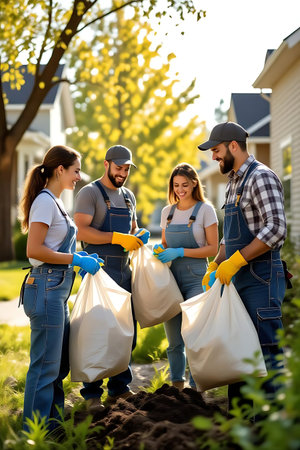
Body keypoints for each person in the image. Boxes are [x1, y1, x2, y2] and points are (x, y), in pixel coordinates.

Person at [198, 121, 287, 412]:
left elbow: (275, 229)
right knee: (239, 350)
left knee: (264, 352)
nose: (213, 157)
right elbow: (230, 234)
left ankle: (271, 427)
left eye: (216, 150)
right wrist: (217, 263)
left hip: (262, 279)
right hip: (238, 279)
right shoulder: (234, 181)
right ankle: (240, 422)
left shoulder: (261, 177)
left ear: (233, 146)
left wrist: (237, 260)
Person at [18, 145, 102, 432]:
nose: (79, 176)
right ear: (60, 170)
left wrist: (80, 259)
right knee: (44, 366)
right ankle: (35, 431)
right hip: (45, 288)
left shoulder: (55, 202)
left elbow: (53, 245)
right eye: (76, 170)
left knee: (56, 366)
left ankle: (52, 425)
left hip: (57, 288)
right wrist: (74, 258)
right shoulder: (44, 201)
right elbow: (35, 250)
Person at [74, 144, 149, 410]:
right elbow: (81, 232)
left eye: (127, 168)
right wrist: (116, 238)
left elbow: (133, 228)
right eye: (119, 168)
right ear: (106, 164)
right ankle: (92, 393)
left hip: (123, 271)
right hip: (97, 272)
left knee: (124, 332)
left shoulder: (129, 196)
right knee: (96, 332)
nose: (123, 173)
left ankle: (119, 388)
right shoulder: (89, 193)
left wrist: (138, 236)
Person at [153, 162, 218, 390]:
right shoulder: (167, 212)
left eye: (185, 185)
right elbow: (163, 244)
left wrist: (180, 251)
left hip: (197, 277)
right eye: (176, 185)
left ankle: (196, 388)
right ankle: (178, 390)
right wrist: (160, 251)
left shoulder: (205, 210)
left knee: (194, 336)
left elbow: (212, 249)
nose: (180, 190)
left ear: (194, 184)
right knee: (173, 341)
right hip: (172, 279)